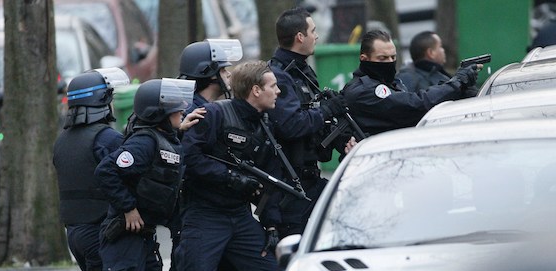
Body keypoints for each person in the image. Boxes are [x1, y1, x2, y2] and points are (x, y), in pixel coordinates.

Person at [175, 61, 282, 271]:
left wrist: (271, 224)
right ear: (256, 90)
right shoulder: (214, 114)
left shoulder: (265, 126)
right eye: (273, 86)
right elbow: (189, 157)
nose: (278, 91)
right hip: (206, 214)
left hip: (240, 215)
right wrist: (230, 176)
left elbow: (270, 178)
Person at [94, 78, 197, 271]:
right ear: (159, 113)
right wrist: (128, 208)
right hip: (124, 239)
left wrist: (180, 130)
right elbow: (106, 171)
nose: (183, 110)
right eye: (176, 107)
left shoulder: (162, 138)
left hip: (144, 237)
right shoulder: (143, 143)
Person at [267, 7, 347, 239]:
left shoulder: (302, 70)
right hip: (292, 184)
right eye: (313, 31)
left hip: (311, 176)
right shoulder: (279, 76)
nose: (317, 36)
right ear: (300, 37)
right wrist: (326, 110)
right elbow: (291, 125)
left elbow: (315, 119)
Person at [172, 39, 243, 271]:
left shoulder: (203, 106)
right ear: (209, 74)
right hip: (199, 208)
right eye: (223, 70)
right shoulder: (196, 111)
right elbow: (192, 160)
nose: (229, 75)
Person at [52, 68, 128, 271]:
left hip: (75, 233)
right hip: (101, 230)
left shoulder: (62, 140)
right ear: (101, 100)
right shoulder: (107, 138)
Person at [341, 29, 482, 136]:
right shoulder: (362, 90)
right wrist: (456, 83)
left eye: (393, 57)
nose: (390, 62)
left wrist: (459, 88)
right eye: (383, 58)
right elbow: (415, 104)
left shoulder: (391, 82)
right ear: (364, 59)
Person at [396, 31, 477, 97]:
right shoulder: (409, 77)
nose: (443, 50)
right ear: (431, 53)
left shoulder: (433, 72)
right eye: (440, 46)